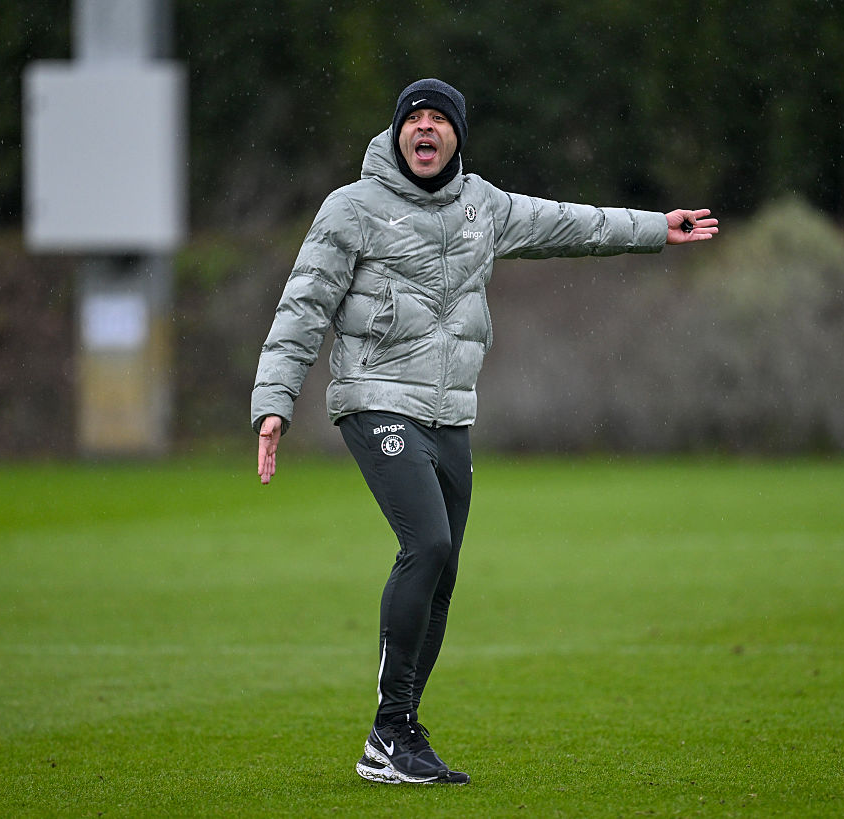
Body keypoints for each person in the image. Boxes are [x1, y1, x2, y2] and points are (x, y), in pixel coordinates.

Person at [250, 78, 718, 785]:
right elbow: (303, 304)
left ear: (458, 136)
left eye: (440, 119)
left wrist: (658, 226)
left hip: (451, 413)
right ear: (398, 132)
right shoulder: (351, 208)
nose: (427, 128)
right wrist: (274, 400)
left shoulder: (484, 206)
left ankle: (397, 735)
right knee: (427, 542)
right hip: (375, 400)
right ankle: (389, 732)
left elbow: (574, 224)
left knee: (443, 573)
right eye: (416, 118)